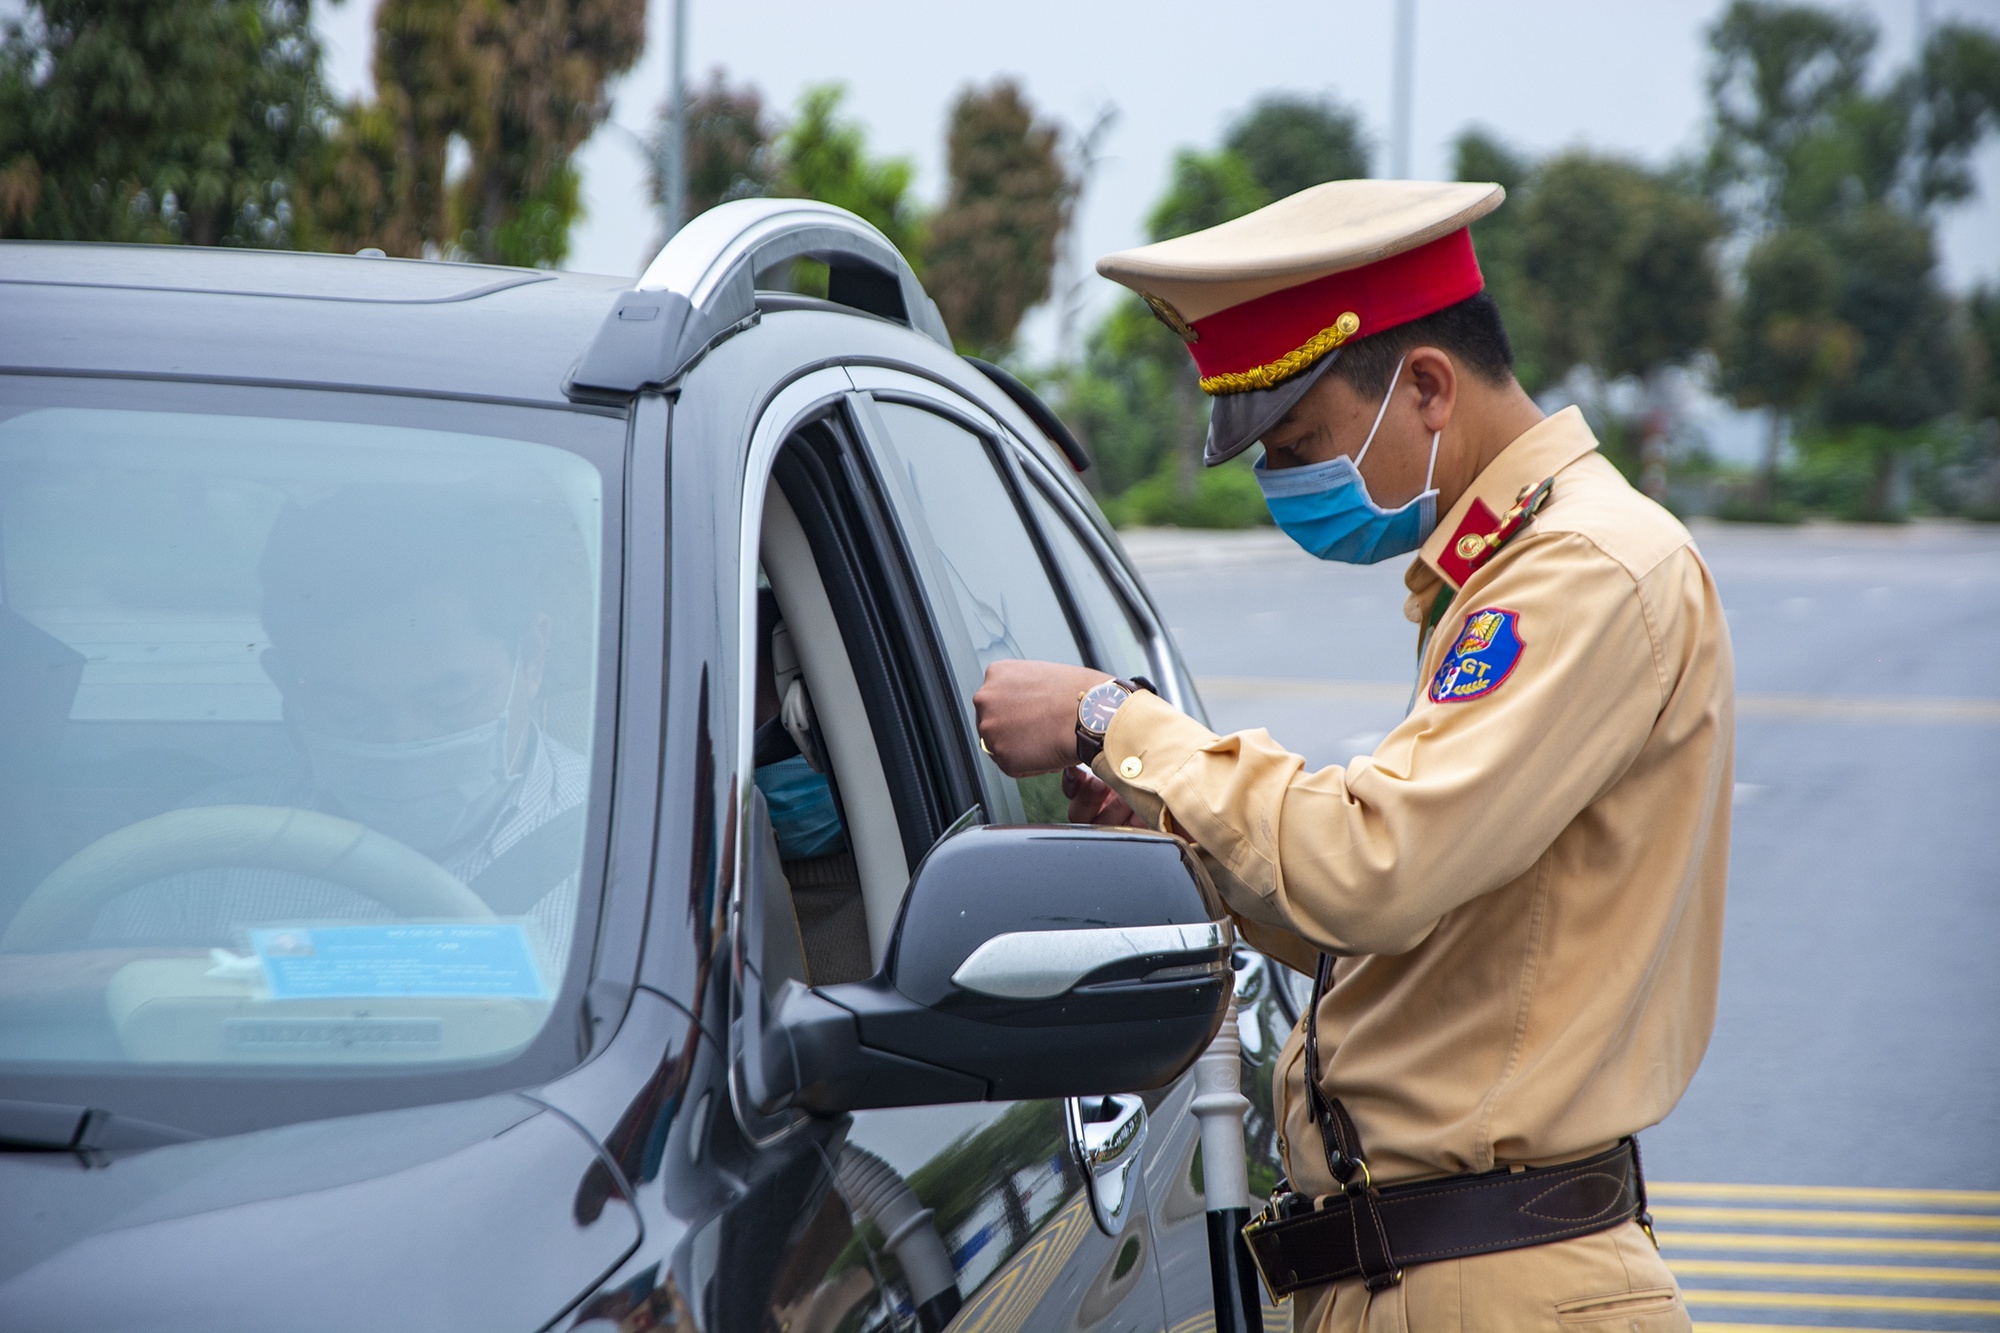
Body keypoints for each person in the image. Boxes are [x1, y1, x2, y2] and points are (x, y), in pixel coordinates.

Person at [974, 179, 1733, 1332]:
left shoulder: (1580, 569)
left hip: (1489, 1282)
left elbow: (1375, 866)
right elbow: (1415, 933)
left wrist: (1110, 717)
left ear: (1425, 386)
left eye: (1299, 444)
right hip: (1432, 1270)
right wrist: (1184, 839)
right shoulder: (1502, 571)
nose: (1284, 485)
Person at [92, 484, 593, 982]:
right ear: (285, 684)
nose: (402, 741)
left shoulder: (618, 852)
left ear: (532, 657)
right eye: (347, 707)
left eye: (449, 696)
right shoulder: (199, 858)